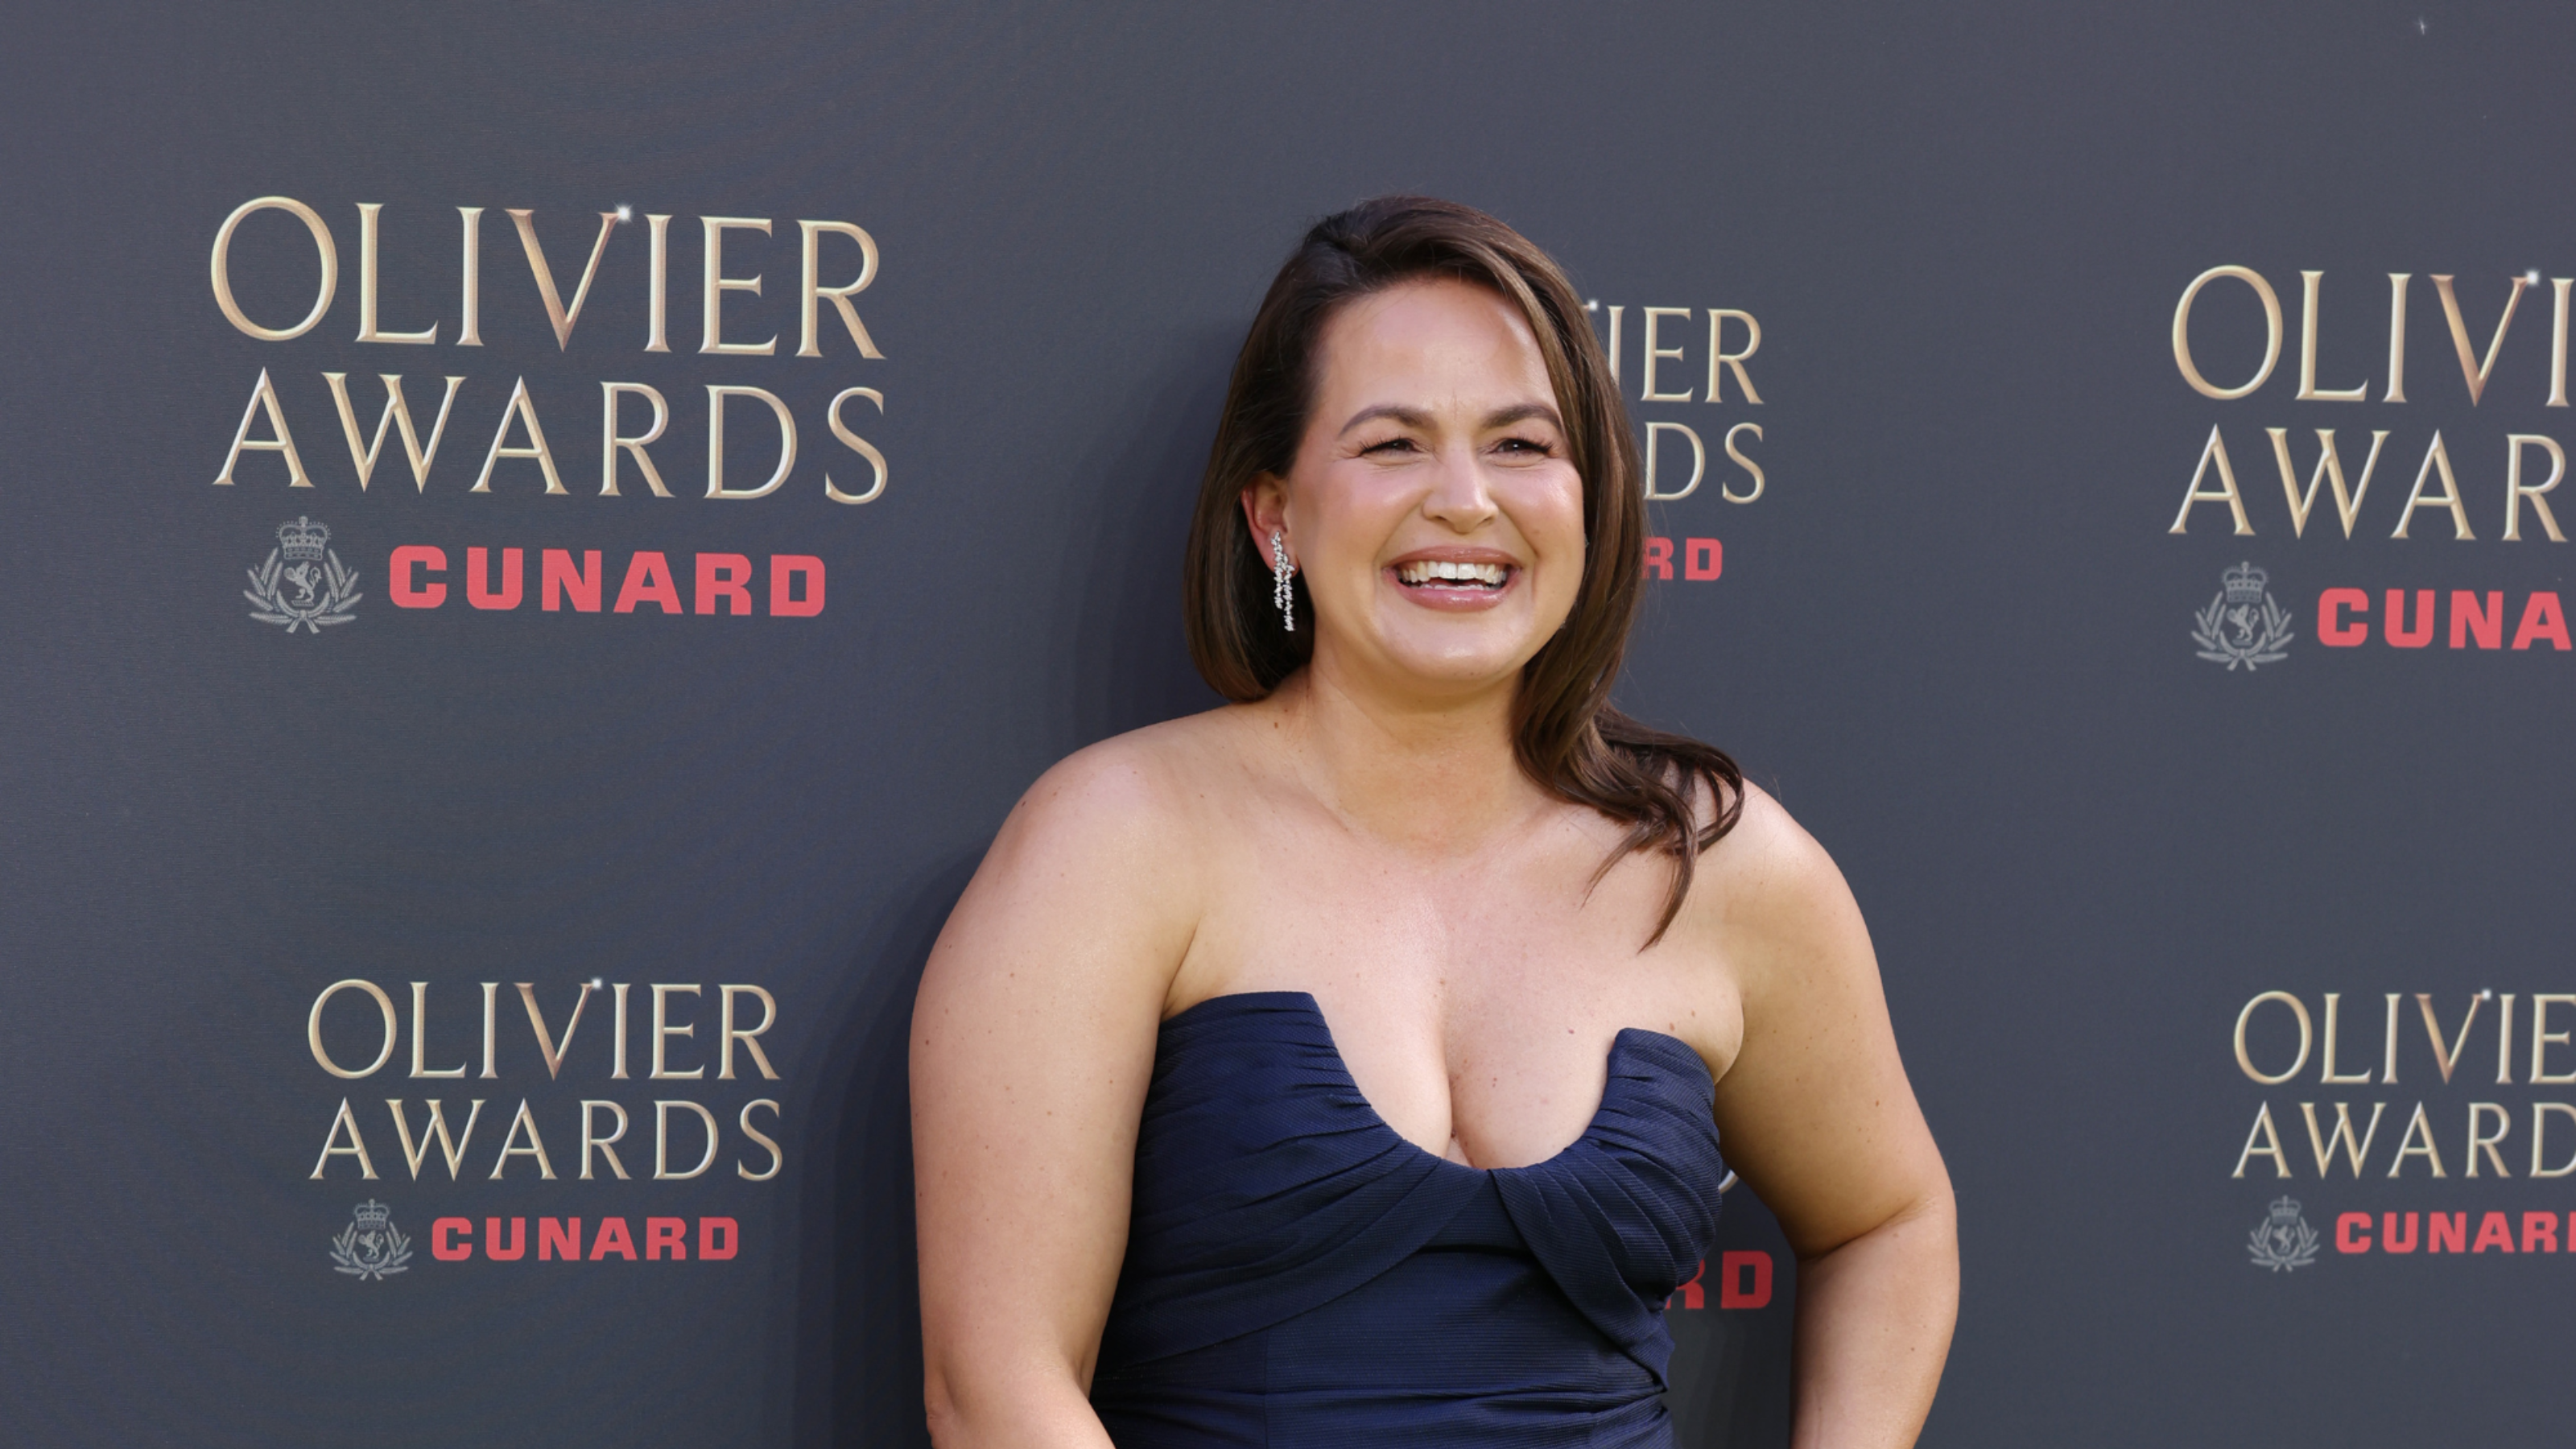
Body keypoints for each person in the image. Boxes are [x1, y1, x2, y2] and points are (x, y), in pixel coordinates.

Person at [911, 196, 1956, 1448]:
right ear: (1273, 516)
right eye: (1393, 444)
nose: (1465, 500)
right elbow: (997, 1384)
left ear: (1590, 500)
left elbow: (1889, 1221)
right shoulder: (1116, 842)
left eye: (1521, 444)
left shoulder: (1719, 862)